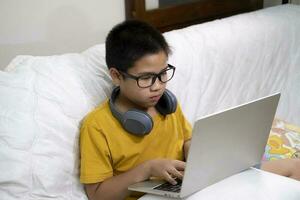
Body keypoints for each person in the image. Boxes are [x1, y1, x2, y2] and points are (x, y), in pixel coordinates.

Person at [79, 20, 300, 200]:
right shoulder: (97, 126)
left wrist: (199, 154)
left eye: (162, 74)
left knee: (294, 167)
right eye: (146, 78)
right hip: (153, 196)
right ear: (117, 76)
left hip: (190, 184)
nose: (158, 86)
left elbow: (186, 141)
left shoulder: (166, 105)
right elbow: (97, 194)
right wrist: (146, 170)